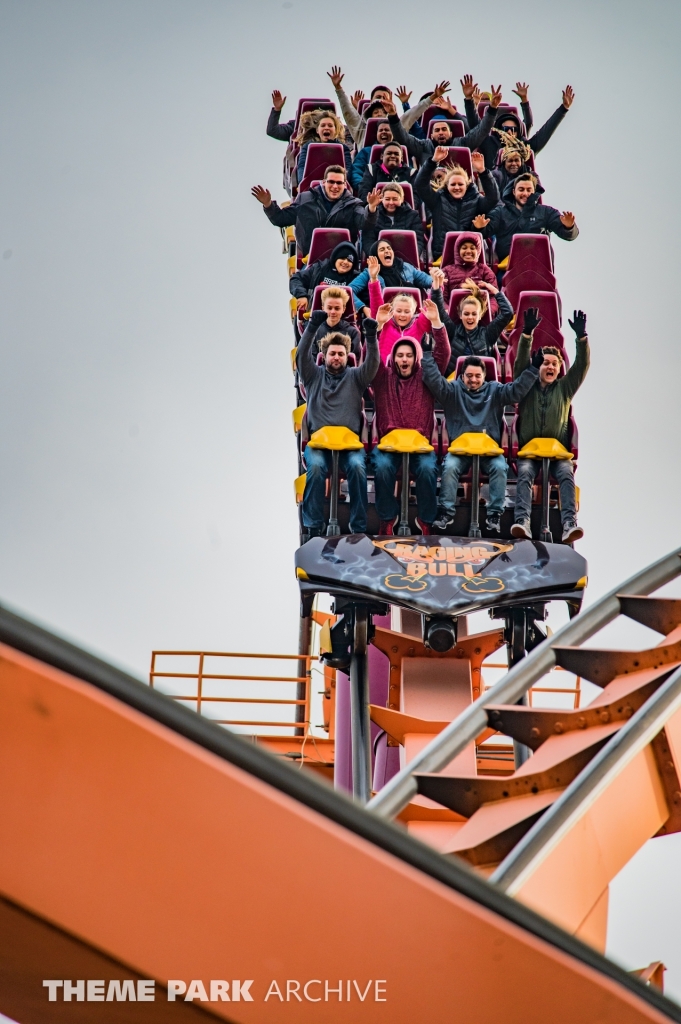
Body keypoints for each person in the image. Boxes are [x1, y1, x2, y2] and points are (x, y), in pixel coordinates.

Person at [421, 323, 540, 533]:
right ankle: (446, 512)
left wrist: (532, 370)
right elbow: (434, 381)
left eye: (477, 376)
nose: (473, 380)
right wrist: (427, 355)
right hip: (460, 449)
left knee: (500, 468)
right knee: (449, 468)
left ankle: (494, 514)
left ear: (484, 376)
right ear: (462, 376)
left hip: (488, 450)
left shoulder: (495, 390)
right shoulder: (453, 391)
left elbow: (516, 392)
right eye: (469, 376)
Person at [371, 300, 451, 535]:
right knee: (383, 467)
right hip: (389, 444)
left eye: (408, 355)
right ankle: (388, 518)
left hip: (419, 444)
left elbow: (443, 354)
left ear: (415, 358)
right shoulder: (383, 378)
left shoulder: (426, 377)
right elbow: (370, 358)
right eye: (400, 356)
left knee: (427, 469)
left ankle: (425, 520)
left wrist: (436, 322)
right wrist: (377, 327)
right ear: (394, 358)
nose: (404, 360)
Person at [298, 310, 380, 538]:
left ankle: (359, 525)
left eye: (341, 354)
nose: (337, 357)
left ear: (347, 356)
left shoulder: (355, 377)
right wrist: (313, 326)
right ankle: (313, 525)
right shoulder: (313, 376)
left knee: (357, 467)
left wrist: (371, 337)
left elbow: (372, 365)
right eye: (333, 353)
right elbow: (302, 356)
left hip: (348, 444)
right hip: (319, 443)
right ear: (324, 356)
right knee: (314, 469)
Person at [511, 310, 590, 544]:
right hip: (529, 450)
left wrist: (581, 338)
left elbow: (582, 366)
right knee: (525, 473)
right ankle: (522, 520)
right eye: (546, 363)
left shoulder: (565, 389)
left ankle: (569, 523)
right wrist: (527, 334)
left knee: (566, 474)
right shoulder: (527, 387)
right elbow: (520, 365)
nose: (550, 367)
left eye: (554, 364)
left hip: (557, 453)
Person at [462, 76, 575, 170]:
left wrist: (563, 108)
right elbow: (475, 127)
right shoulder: (489, 143)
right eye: (506, 129)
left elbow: (546, 131)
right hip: (494, 189)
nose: (510, 132)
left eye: (514, 129)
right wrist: (469, 100)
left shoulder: (525, 147)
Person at [252, 165, 364, 257]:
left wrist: (372, 209)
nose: (335, 186)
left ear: (345, 185)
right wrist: (268, 204)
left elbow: (365, 222)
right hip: (312, 258)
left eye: (339, 183)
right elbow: (280, 219)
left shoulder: (354, 204)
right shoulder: (305, 199)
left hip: (343, 261)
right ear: (324, 182)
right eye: (331, 182)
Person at [326, 68, 450, 148]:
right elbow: (349, 113)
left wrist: (433, 97)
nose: (379, 113)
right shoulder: (361, 130)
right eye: (376, 112)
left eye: (383, 111)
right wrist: (339, 88)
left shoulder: (397, 126)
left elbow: (413, 114)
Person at [388, 84, 503, 166]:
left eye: (444, 129)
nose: (441, 132)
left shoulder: (462, 143)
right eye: (437, 130)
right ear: (431, 135)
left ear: (451, 133)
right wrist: (393, 115)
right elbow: (401, 136)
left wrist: (492, 108)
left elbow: (482, 130)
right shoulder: (423, 147)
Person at [415, 150, 500, 260]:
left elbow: (493, 197)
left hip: (470, 256)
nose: (456, 187)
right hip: (444, 254)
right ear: (447, 186)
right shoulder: (437, 200)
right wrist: (433, 161)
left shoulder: (477, 200)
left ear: (467, 185)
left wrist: (482, 171)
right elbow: (420, 185)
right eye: (453, 184)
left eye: (460, 184)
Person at [474, 173, 578, 263]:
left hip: (538, 265)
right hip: (508, 265)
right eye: (521, 189)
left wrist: (569, 227)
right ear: (514, 192)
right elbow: (484, 233)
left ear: (534, 192)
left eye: (529, 190)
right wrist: (479, 228)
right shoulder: (500, 212)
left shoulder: (546, 212)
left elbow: (569, 235)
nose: (525, 193)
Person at [429, 270, 513, 373]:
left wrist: (493, 290)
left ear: (480, 315)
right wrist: (437, 286)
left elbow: (508, 313)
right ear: (460, 315)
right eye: (466, 314)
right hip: (454, 383)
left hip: (478, 382)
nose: (470, 317)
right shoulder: (452, 331)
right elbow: (438, 309)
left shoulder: (487, 334)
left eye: (474, 314)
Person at [353, 248, 432, 329]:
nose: (387, 251)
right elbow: (349, 291)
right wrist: (362, 307)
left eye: (389, 248)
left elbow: (425, 279)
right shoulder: (368, 272)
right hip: (384, 320)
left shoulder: (406, 267)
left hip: (410, 317)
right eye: (382, 249)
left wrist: (435, 282)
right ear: (375, 255)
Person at [361, 183, 427, 262]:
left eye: (395, 199)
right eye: (387, 199)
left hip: (406, 261)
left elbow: (418, 241)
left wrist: (410, 258)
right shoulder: (373, 215)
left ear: (402, 199)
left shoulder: (413, 216)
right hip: (379, 261)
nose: (391, 203)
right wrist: (378, 258)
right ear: (382, 199)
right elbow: (368, 240)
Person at [289, 241, 360, 312]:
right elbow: (296, 279)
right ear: (336, 258)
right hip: (315, 315)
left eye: (349, 260)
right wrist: (302, 296)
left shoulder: (356, 277)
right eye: (342, 258)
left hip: (345, 318)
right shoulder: (319, 269)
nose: (345, 262)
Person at [300, 286, 362, 362]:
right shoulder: (313, 331)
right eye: (329, 308)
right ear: (323, 308)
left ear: (343, 309)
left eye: (337, 308)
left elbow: (354, 361)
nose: (333, 312)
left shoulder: (353, 332)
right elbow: (310, 359)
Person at [441, 232, 499, 309]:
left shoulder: (485, 271)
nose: (468, 251)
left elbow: (493, 297)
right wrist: (448, 313)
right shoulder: (446, 271)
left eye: (472, 248)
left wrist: (485, 313)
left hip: (479, 316)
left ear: (478, 251)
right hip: (452, 317)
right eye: (464, 248)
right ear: (457, 250)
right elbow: (441, 298)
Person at [295, 110, 353, 183]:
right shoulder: (308, 147)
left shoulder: (343, 148)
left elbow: (348, 169)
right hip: (312, 185)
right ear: (317, 130)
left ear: (335, 130)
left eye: (330, 125)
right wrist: (302, 183)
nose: (326, 128)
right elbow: (302, 167)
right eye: (323, 125)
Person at [350, 117, 395, 191]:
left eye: (387, 130)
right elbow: (356, 171)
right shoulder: (365, 151)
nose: (383, 132)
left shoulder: (400, 152)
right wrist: (363, 188)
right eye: (380, 130)